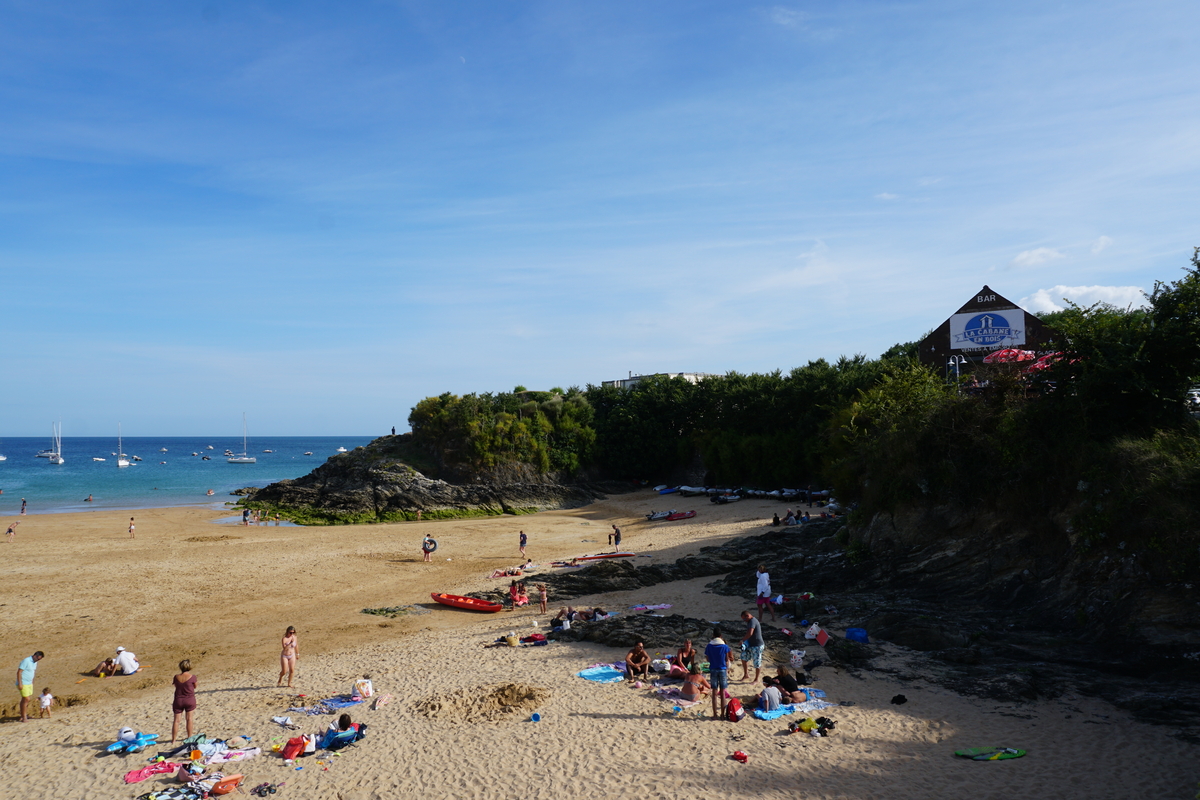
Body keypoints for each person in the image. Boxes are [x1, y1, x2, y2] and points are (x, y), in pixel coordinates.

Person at [705, 629, 733, 720]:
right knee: (722, 692)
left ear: (713, 635)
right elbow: (726, 659)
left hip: (713, 669)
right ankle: (722, 714)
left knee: (714, 692)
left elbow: (708, 659)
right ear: (721, 635)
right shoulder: (724, 646)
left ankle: (715, 714)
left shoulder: (709, 646)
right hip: (722, 669)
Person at [170, 659, 197, 744]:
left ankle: (174, 739)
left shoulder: (176, 677)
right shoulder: (193, 677)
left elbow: (175, 685)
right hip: (189, 699)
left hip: (178, 700)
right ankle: (189, 737)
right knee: (189, 719)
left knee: (176, 721)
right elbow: (195, 686)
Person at [15, 651, 44, 722]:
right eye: (38, 659)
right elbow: (19, 672)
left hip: (29, 683)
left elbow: (33, 671)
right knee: (26, 699)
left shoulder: (35, 662)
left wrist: (33, 680)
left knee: (25, 699)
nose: (38, 660)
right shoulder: (26, 661)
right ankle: (24, 717)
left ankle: (23, 715)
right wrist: (20, 683)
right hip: (23, 682)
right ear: (35, 656)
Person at [739, 610, 765, 684]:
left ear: (748, 616)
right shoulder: (750, 622)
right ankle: (746, 674)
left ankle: (756, 679)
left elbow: (750, 633)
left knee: (757, 663)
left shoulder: (753, 621)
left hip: (757, 645)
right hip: (750, 644)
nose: (744, 621)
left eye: (744, 619)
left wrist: (742, 640)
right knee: (743, 658)